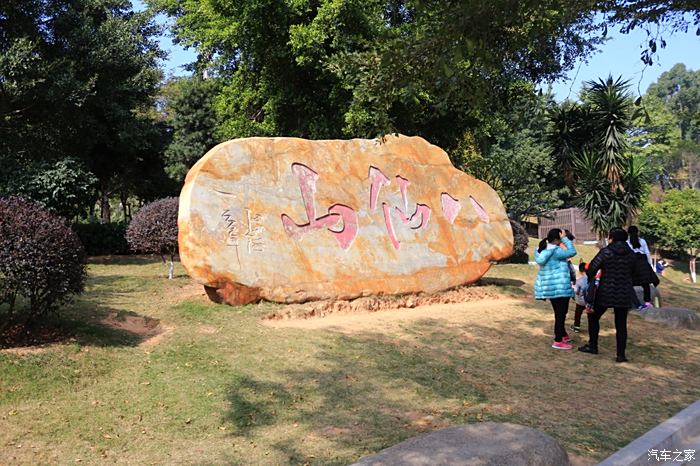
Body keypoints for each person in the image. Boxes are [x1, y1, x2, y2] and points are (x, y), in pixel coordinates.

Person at [579, 228, 638, 363]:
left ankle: (593, 346)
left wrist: (593, 280)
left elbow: (592, 268)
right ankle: (621, 355)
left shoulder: (606, 252)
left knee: (593, 316)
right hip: (624, 292)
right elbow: (635, 272)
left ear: (612, 238)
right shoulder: (631, 254)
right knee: (621, 323)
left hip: (605, 291)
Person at [534, 228, 577, 349]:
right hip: (560, 287)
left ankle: (563, 334)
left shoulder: (541, 250)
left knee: (559, 313)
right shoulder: (556, 251)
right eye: (560, 238)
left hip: (550, 288)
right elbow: (572, 252)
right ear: (557, 239)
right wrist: (565, 239)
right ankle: (558, 340)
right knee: (561, 314)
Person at [627, 225, 658, 310]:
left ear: (628, 233)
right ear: (638, 232)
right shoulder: (643, 241)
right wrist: (650, 265)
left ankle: (632, 302)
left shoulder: (627, 242)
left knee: (630, 283)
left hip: (633, 264)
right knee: (646, 284)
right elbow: (647, 253)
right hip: (643, 263)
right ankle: (647, 303)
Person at [571, 262, 588, 333]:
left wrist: (573, 286)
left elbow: (577, 291)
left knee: (578, 313)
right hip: (590, 300)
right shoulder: (592, 278)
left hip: (581, 301)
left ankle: (576, 327)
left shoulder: (579, 280)